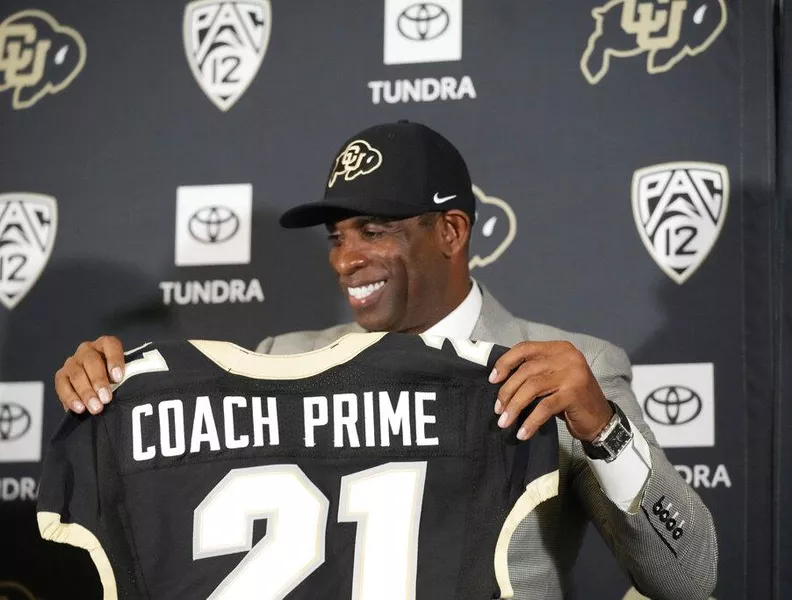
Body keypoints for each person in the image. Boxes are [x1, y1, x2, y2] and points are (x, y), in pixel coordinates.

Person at [54, 120, 717, 600]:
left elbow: (691, 578)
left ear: (451, 232)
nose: (346, 259)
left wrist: (604, 429)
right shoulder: (280, 362)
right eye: (338, 237)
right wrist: (113, 387)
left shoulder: (567, 370)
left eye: (376, 231)